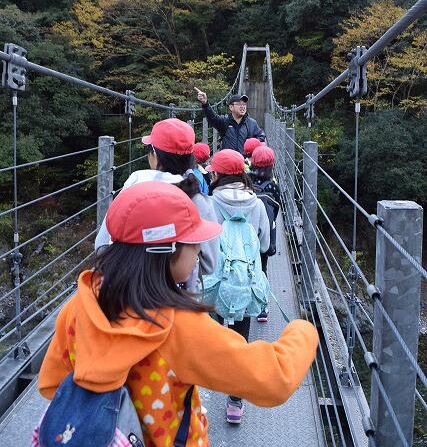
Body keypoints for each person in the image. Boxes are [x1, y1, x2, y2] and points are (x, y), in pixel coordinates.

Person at [38, 181, 319, 447]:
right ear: (167, 249)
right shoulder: (178, 327)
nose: (199, 252)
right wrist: (303, 330)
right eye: (193, 243)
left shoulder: (80, 304)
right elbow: (275, 379)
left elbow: (51, 384)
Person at [95, 118, 218, 285]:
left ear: (154, 154)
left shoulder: (132, 190)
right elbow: (209, 265)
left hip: (125, 285)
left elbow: (101, 246)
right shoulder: (197, 198)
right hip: (178, 292)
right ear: (191, 157)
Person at [206, 148, 272, 423]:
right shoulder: (257, 204)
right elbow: (265, 245)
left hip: (214, 283)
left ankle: (205, 381)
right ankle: (235, 402)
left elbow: (202, 246)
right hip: (244, 283)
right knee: (240, 338)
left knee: (211, 333)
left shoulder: (210, 204)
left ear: (217, 175)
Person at [250, 145, 281, 324]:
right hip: (264, 235)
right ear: (272, 165)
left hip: (247, 233)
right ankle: (262, 307)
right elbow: (275, 212)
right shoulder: (273, 187)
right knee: (262, 269)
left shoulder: (245, 182)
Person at [194, 87, 265, 155]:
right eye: (239, 104)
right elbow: (212, 118)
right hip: (228, 160)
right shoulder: (225, 121)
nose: (243, 107)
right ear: (231, 107)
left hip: (244, 160)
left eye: (244, 104)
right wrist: (205, 104)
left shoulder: (252, 123)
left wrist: (252, 143)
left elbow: (261, 136)